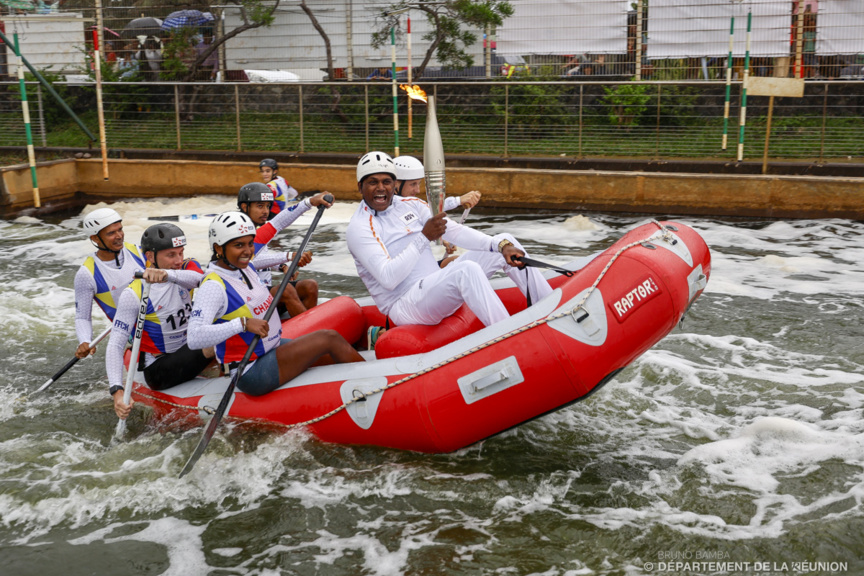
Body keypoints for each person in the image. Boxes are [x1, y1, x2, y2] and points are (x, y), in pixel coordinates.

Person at [346, 151, 553, 331]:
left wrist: (500, 247)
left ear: (394, 184)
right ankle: (508, 336)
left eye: (386, 182)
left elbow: (455, 231)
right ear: (360, 186)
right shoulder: (359, 227)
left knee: (505, 240)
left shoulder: (410, 204)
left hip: (434, 286)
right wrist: (424, 237)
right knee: (466, 270)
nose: (381, 188)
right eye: (373, 182)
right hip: (403, 304)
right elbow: (388, 278)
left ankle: (551, 311)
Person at [186, 212, 364, 396]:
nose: (247, 251)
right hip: (250, 369)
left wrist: (290, 256)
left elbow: (259, 260)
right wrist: (242, 324)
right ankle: (370, 385)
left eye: (250, 244)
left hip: (271, 348)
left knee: (331, 356)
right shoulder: (213, 286)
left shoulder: (243, 268)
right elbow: (194, 338)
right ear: (219, 248)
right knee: (329, 338)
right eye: (238, 245)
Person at [105, 224, 214, 420]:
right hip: (160, 369)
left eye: (181, 253)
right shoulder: (134, 293)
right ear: (149, 256)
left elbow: (202, 280)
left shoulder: (185, 269)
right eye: (171, 255)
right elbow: (115, 344)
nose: (179, 260)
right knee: (217, 338)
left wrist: (168, 274)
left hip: (189, 348)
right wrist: (117, 392)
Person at [236, 182, 324, 317]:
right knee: (286, 290)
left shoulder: (257, 231)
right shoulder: (236, 232)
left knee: (310, 286)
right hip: (248, 301)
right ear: (244, 207)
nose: (266, 211)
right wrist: (288, 256)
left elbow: (261, 256)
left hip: (266, 295)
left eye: (267, 206)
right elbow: (249, 261)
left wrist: (282, 266)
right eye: (260, 206)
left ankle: (306, 328)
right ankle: (310, 331)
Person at [74, 208, 146, 360]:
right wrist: (85, 341)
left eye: (120, 230)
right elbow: (83, 317)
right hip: (136, 335)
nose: (119, 236)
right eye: (111, 233)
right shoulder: (87, 274)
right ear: (95, 238)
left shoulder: (138, 252)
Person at [393, 155, 481, 267]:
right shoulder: (390, 208)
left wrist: (443, 239)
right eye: (413, 184)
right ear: (396, 184)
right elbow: (429, 211)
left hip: (424, 266)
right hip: (409, 274)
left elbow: (424, 216)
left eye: (419, 183)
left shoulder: (412, 205)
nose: (418, 190)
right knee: (466, 266)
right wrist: (458, 200)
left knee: (459, 261)